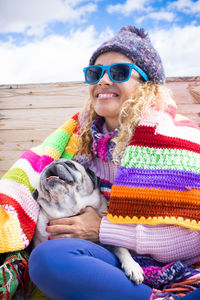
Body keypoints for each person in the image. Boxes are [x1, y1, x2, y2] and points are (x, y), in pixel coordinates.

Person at [1, 26, 200, 300]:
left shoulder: (182, 144)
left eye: (118, 72)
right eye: (95, 73)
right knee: (48, 260)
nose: (103, 81)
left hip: (175, 268)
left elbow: (193, 243)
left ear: (148, 87)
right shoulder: (76, 144)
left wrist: (103, 229)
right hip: (108, 265)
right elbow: (29, 186)